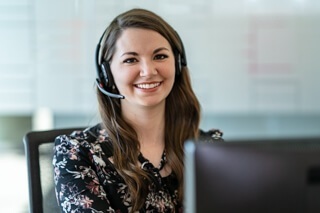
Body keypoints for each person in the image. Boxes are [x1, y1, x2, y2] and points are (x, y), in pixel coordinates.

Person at [53, 8, 223, 213]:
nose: (148, 71)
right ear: (107, 74)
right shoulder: (77, 153)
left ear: (178, 65)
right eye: (131, 60)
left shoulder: (209, 149)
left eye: (160, 56)